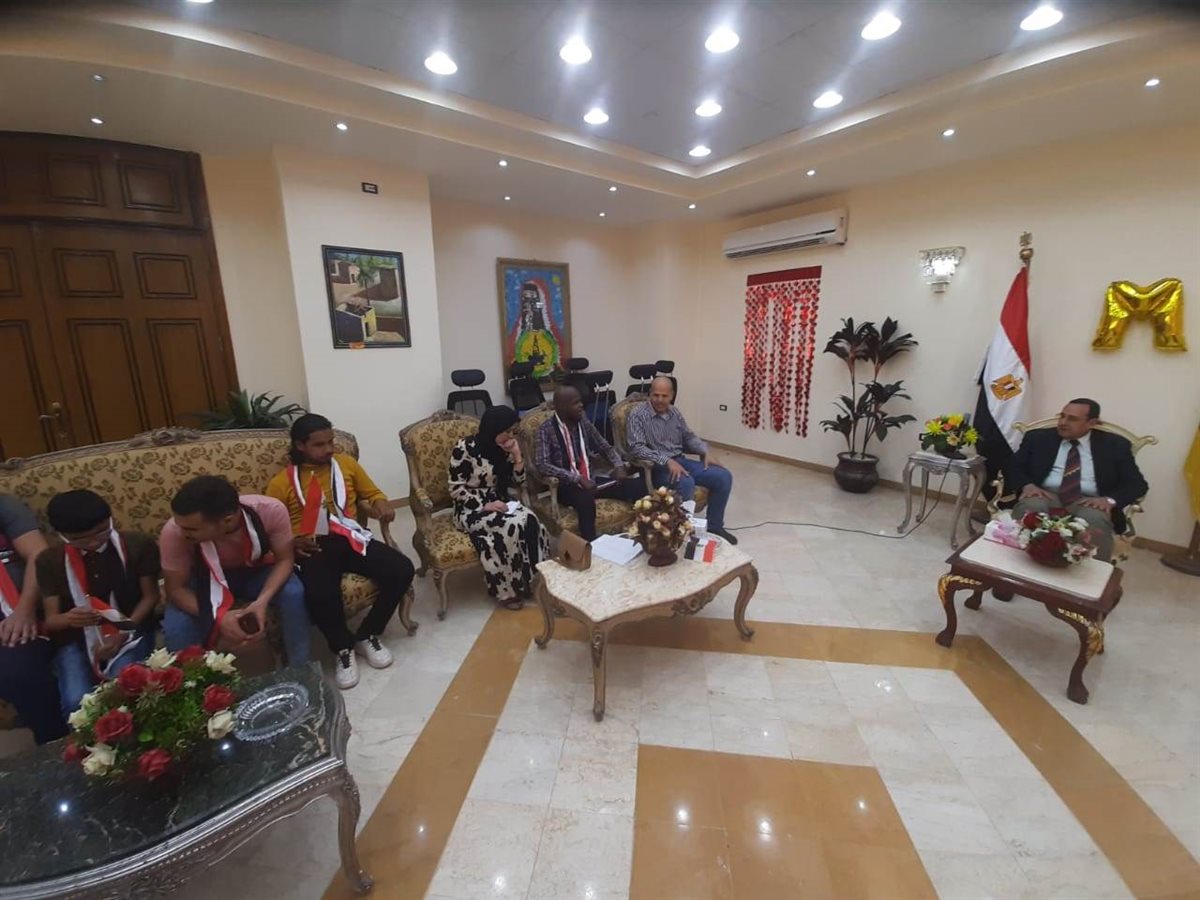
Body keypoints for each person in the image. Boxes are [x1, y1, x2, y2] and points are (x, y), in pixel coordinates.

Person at [265, 414, 416, 689]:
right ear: (300, 445)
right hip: (312, 545)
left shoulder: (346, 464)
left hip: (349, 535)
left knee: (402, 569)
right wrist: (293, 542)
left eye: (331, 442)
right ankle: (343, 648)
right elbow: (270, 528)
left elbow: (373, 494)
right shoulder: (282, 482)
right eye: (319, 444)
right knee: (321, 593)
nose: (329, 449)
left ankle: (367, 634)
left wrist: (381, 503)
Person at [159, 475, 310, 664]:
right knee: (177, 629)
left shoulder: (270, 510)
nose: (182, 533)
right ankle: (192, 679)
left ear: (228, 521)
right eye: (180, 526)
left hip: (254, 571)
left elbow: (285, 559)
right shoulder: (173, 532)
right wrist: (218, 616)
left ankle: (300, 669)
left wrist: (262, 601)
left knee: (293, 592)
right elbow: (175, 589)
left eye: (191, 530)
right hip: (203, 580)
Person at [37, 490, 159, 716]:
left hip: (132, 628)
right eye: (81, 539)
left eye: (102, 531)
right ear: (62, 535)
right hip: (75, 639)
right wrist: (70, 619)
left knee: (124, 687)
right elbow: (52, 620)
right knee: (76, 701)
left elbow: (151, 596)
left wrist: (124, 631)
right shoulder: (49, 561)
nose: (94, 542)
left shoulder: (137, 545)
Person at [1008, 398, 1149, 562]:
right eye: (1062, 416)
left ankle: (1094, 572)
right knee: (1031, 506)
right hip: (1046, 494)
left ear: (1091, 423)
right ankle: (1013, 561)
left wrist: (1109, 500)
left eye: (1072, 419)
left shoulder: (1115, 445)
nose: (1063, 422)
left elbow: (1136, 484)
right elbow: (1012, 466)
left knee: (1095, 518)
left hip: (1089, 500)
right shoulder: (1038, 438)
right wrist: (1027, 485)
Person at [449, 405, 550, 609]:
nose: (510, 436)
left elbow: (519, 481)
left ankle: (529, 579)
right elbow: (455, 488)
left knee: (531, 521)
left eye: (513, 431)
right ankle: (507, 590)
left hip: (500, 501)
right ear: (494, 428)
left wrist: (517, 455)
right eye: (507, 431)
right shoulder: (465, 448)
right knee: (510, 527)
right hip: (470, 508)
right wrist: (484, 505)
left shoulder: (502, 449)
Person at [626, 376, 738, 544]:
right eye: (656, 395)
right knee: (686, 482)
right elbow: (637, 448)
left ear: (671, 395)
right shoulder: (637, 415)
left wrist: (704, 450)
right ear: (650, 393)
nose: (659, 400)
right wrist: (667, 460)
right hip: (657, 468)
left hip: (680, 461)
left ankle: (715, 527)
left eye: (664, 396)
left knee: (723, 476)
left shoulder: (674, 412)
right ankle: (683, 533)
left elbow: (688, 436)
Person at [535, 385, 646, 541]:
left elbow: (605, 447)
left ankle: (641, 535)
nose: (581, 405)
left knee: (638, 486)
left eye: (580, 401)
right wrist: (577, 478)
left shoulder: (583, 421)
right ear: (562, 407)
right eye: (575, 403)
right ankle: (590, 546)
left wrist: (619, 465)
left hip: (592, 480)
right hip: (566, 486)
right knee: (586, 501)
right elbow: (542, 464)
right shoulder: (546, 429)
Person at [0, 494, 67, 744]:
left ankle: (56, 742)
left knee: (19, 670)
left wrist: (24, 610)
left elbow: (38, 554)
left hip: (17, 608)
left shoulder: (4, 505)